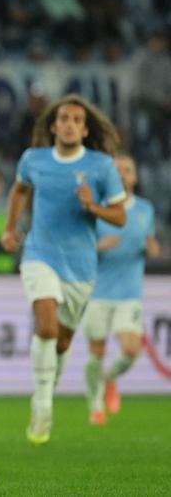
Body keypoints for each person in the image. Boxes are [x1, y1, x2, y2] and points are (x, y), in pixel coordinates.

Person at [0, 94, 126, 446]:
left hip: (81, 266)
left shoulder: (102, 166)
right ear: (53, 126)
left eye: (76, 120)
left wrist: (93, 207)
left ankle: (48, 386)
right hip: (40, 254)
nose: (69, 124)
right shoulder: (34, 159)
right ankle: (41, 404)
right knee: (45, 324)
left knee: (63, 339)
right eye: (64, 118)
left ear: (85, 130)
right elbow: (20, 190)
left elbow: (120, 216)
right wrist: (10, 228)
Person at [83, 153, 160, 425]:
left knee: (130, 349)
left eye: (127, 170)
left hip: (129, 293)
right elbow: (79, 250)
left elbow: (149, 243)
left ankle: (110, 378)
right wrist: (98, 247)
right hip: (98, 293)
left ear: (134, 177)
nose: (123, 174)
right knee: (97, 352)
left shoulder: (145, 210)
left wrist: (152, 250)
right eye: (117, 170)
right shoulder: (97, 210)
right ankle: (95, 406)